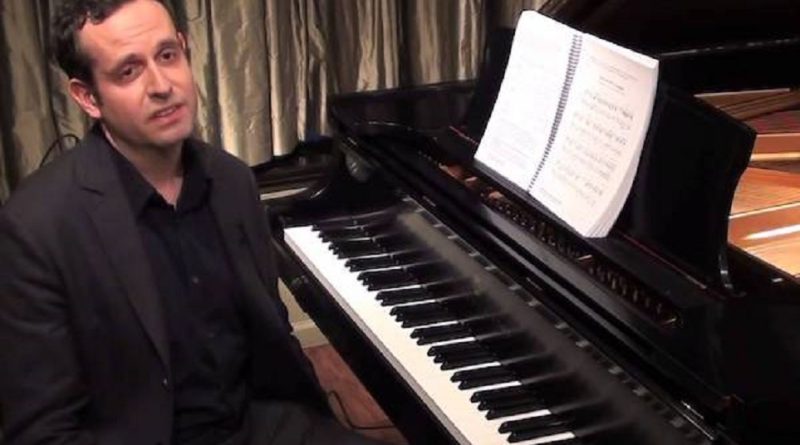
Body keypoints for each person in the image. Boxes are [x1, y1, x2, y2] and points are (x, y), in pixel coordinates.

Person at [0, 1, 387, 444]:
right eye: (129, 71)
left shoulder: (232, 180)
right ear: (88, 97)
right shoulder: (35, 228)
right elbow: (43, 433)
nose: (162, 85)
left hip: (261, 425)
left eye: (168, 55)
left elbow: (272, 335)